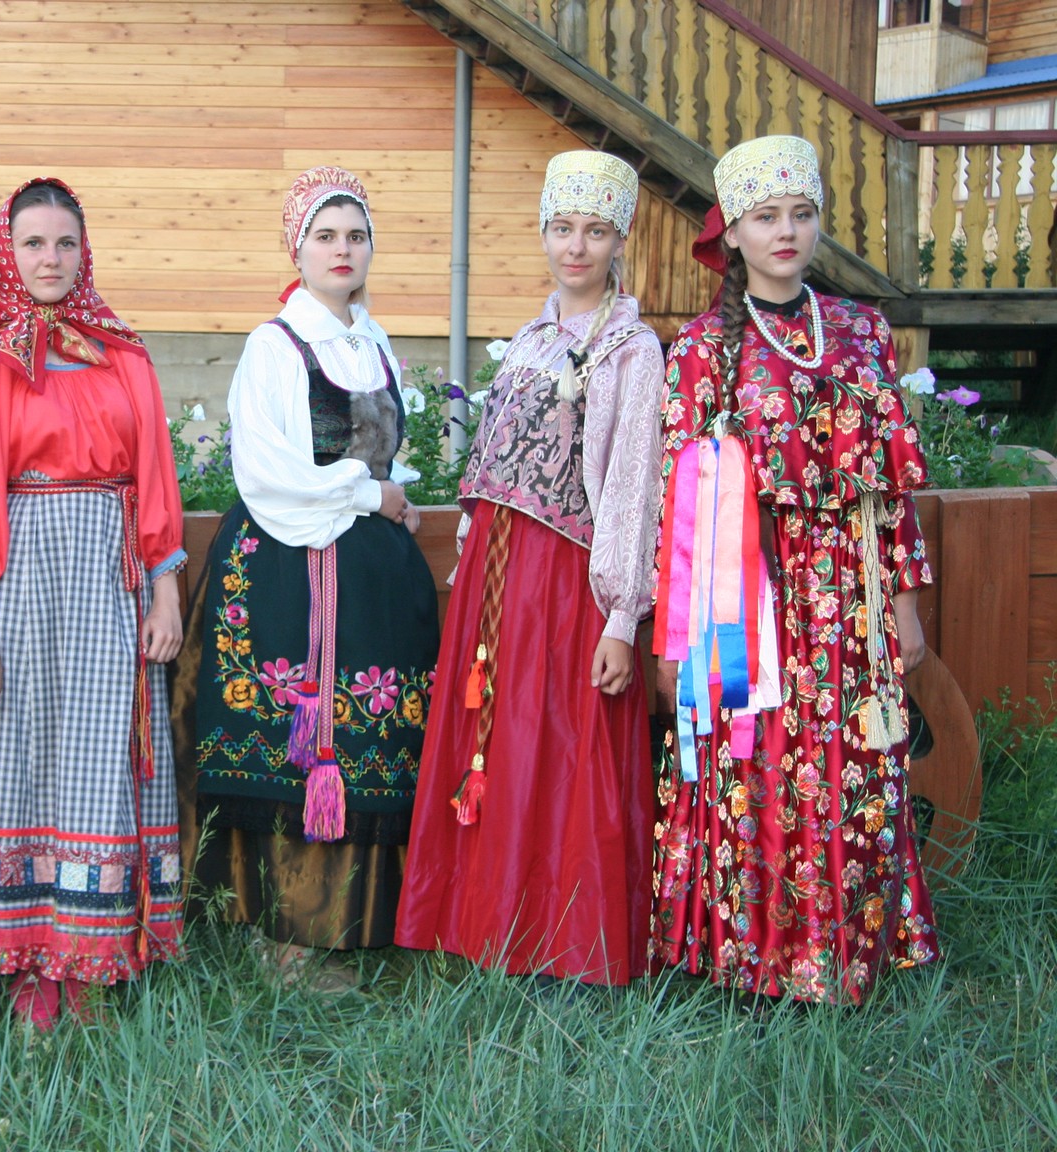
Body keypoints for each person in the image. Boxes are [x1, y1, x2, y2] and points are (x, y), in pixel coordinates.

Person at [651, 135, 939, 1005]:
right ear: (732, 233)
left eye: (802, 214)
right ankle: (758, 959)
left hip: (851, 593)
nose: (786, 232)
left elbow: (890, 486)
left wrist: (905, 603)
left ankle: (856, 947)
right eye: (767, 216)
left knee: (857, 761)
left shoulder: (862, 333)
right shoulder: (702, 349)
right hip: (751, 599)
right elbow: (678, 509)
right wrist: (678, 636)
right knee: (763, 764)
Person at [393, 152, 664, 986]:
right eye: (562, 228)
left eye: (595, 231)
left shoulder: (630, 350)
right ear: (543, 232)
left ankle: (567, 940)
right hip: (498, 576)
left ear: (620, 239)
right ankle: (486, 923)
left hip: (568, 581)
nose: (575, 247)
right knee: (498, 739)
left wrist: (622, 617)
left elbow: (632, 488)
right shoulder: (531, 338)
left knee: (557, 746)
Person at [0, 178, 186, 1028]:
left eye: (66, 243)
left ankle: (91, 958)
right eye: (34, 243)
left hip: (109, 575)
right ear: (7, 252)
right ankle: (26, 968)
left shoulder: (122, 353)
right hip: (15, 573)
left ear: (86, 252)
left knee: (101, 753)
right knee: (15, 754)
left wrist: (166, 592)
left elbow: (154, 476)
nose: (51, 259)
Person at [191, 166, 440, 980]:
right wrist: (370, 494)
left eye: (356, 236)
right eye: (325, 236)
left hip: (370, 574)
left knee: (373, 739)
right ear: (296, 250)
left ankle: (360, 923)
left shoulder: (374, 342)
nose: (343, 250)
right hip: (288, 565)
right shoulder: (276, 344)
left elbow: (385, 455)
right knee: (290, 746)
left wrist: (390, 497)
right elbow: (270, 471)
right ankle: (283, 932)